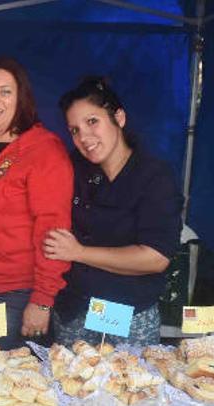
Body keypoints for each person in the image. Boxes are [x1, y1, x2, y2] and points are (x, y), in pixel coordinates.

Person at [44, 76, 182, 346]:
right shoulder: (71, 168)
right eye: (74, 130)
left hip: (129, 315)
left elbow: (156, 257)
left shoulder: (154, 176)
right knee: (69, 385)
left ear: (118, 117)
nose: (84, 137)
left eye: (92, 121)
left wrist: (79, 252)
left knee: (129, 385)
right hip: (74, 311)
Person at [0, 57, 74, 350]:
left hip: (14, 294)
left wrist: (43, 300)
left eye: (5, 91)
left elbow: (53, 230)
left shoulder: (43, 152)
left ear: (21, 97)